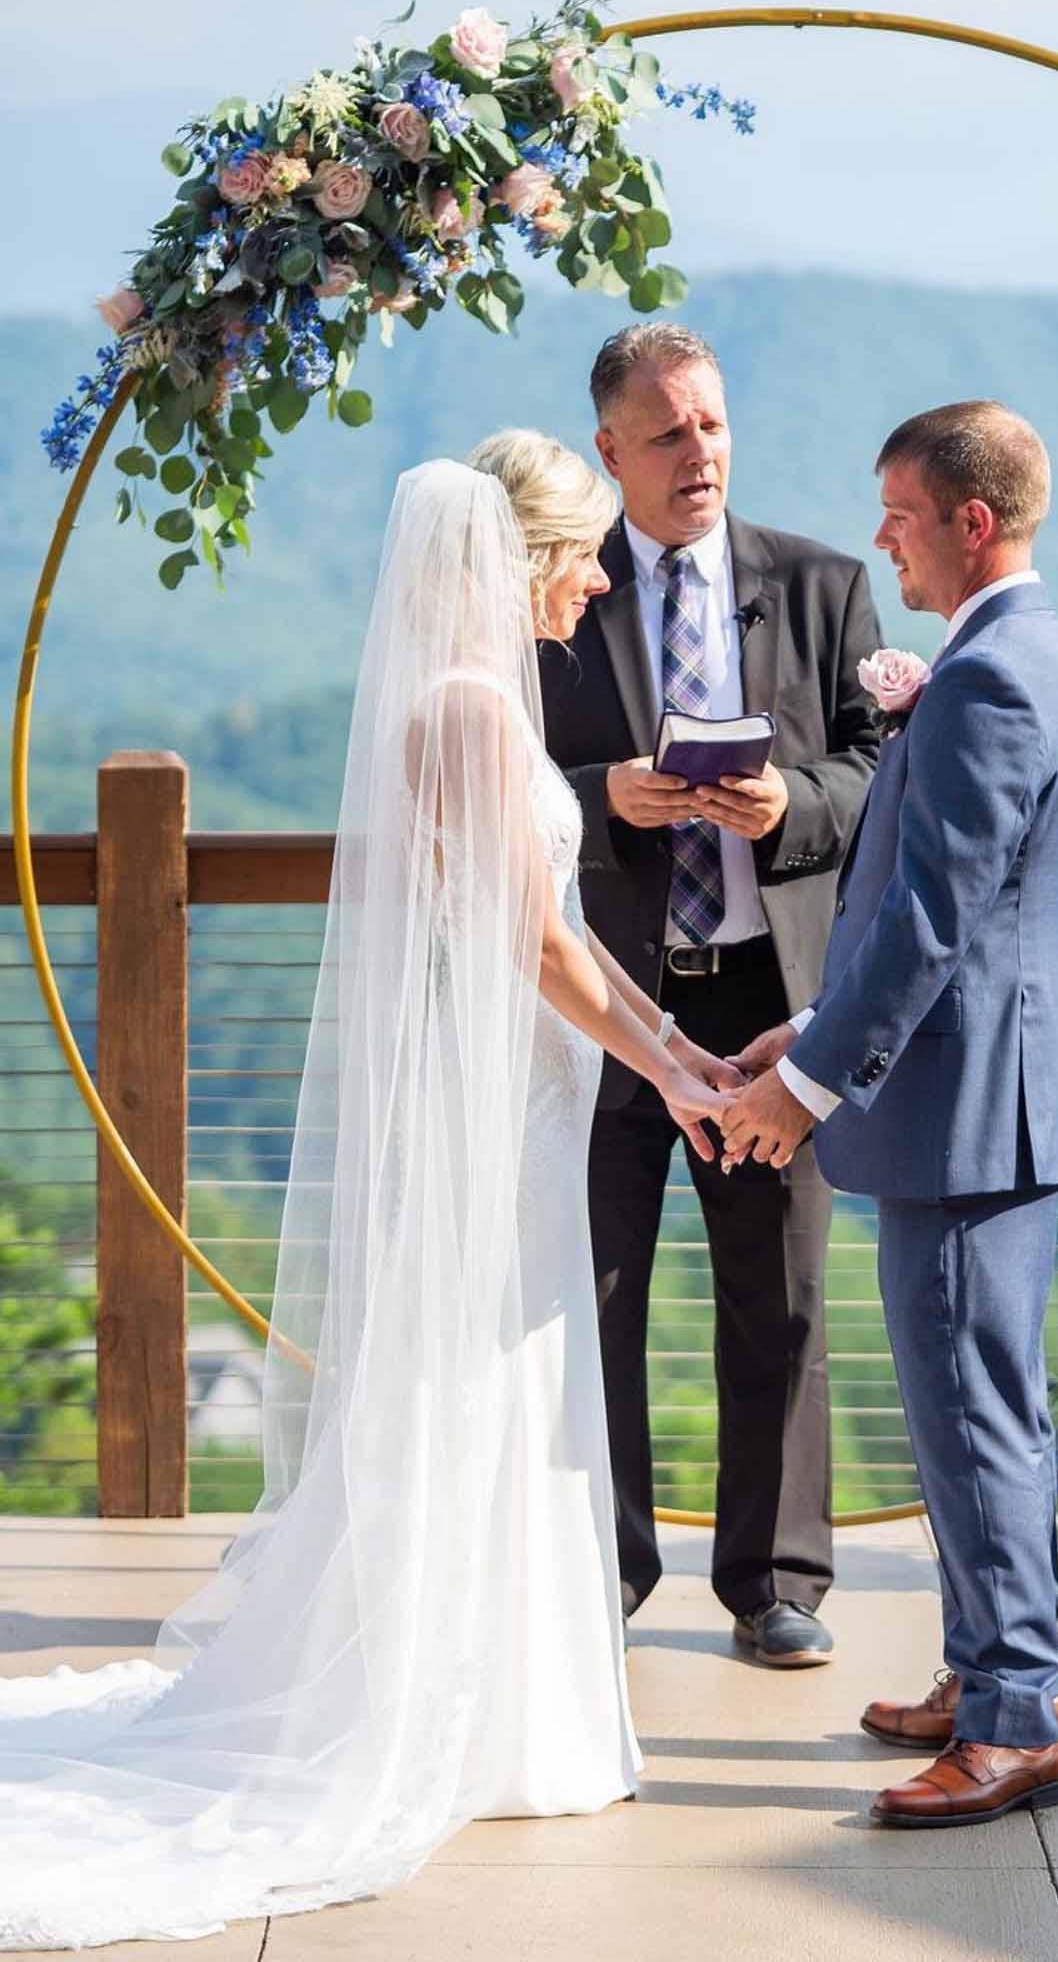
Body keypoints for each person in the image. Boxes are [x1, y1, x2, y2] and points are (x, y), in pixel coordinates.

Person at [0, 448, 732, 1947]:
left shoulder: (473, 702)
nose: (596, 582)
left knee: (512, 1385)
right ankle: (452, 1712)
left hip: (524, 1101)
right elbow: (539, 948)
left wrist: (676, 1059)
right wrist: (675, 1069)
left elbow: (551, 945)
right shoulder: (465, 711)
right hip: (500, 1119)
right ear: (515, 557)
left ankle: (506, 1702)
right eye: (580, 556)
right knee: (478, 1388)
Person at [722, 402, 1058, 1826]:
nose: (880, 536)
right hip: (976, 1093)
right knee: (969, 1402)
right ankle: (984, 1667)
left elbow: (934, 918)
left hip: (967, 1112)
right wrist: (810, 1024)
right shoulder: (1019, 655)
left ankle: (1014, 1717)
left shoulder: (995, 679)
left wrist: (801, 1088)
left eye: (897, 512)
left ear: (970, 521)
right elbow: (946, 906)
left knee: (972, 1410)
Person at [538, 324, 881, 1666]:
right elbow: (487, 773)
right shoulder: (559, 590)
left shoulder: (819, 583)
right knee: (593, 1288)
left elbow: (874, 774)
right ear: (610, 449)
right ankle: (598, 1570)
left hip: (768, 995)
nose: (700, 453)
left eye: (715, 425)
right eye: (669, 431)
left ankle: (776, 1582)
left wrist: (788, 801)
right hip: (603, 998)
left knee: (781, 1299)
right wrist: (600, 800)